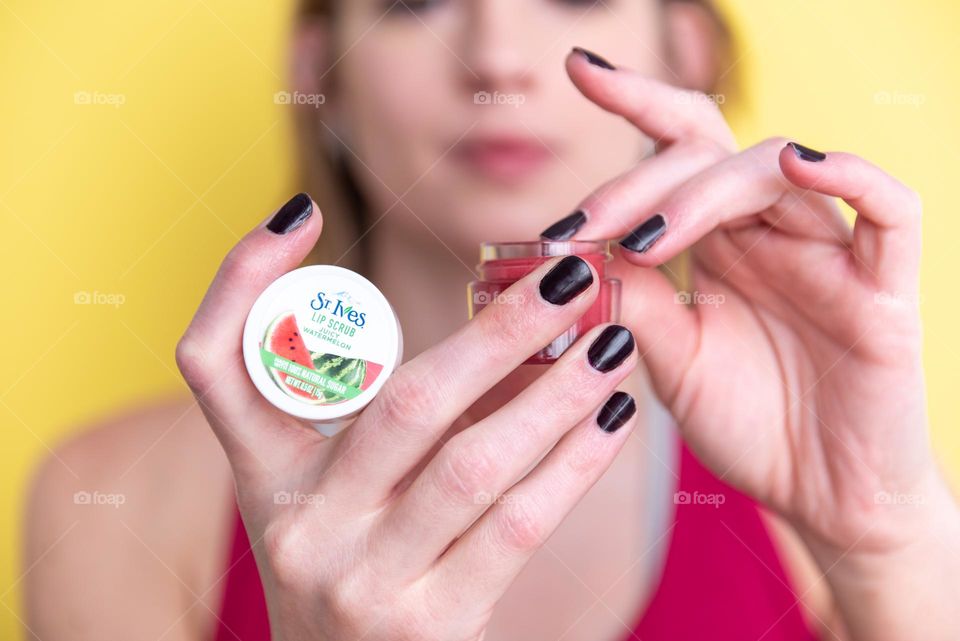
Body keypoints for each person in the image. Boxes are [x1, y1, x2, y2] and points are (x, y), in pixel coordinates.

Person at [25, 1, 959, 640]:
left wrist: (890, 543)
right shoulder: (112, 497)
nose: (496, 61)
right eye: (416, 0)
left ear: (688, 51)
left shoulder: (809, 483)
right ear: (323, 74)